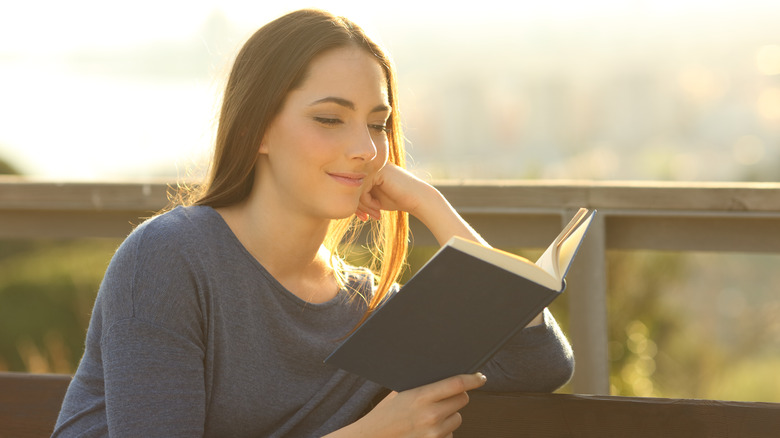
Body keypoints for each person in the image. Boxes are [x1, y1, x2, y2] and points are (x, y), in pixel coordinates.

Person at [52, 8, 574, 438]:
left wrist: (432, 207)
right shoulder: (169, 258)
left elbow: (539, 363)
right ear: (255, 127)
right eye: (329, 119)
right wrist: (372, 434)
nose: (366, 149)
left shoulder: (365, 306)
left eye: (378, 124)